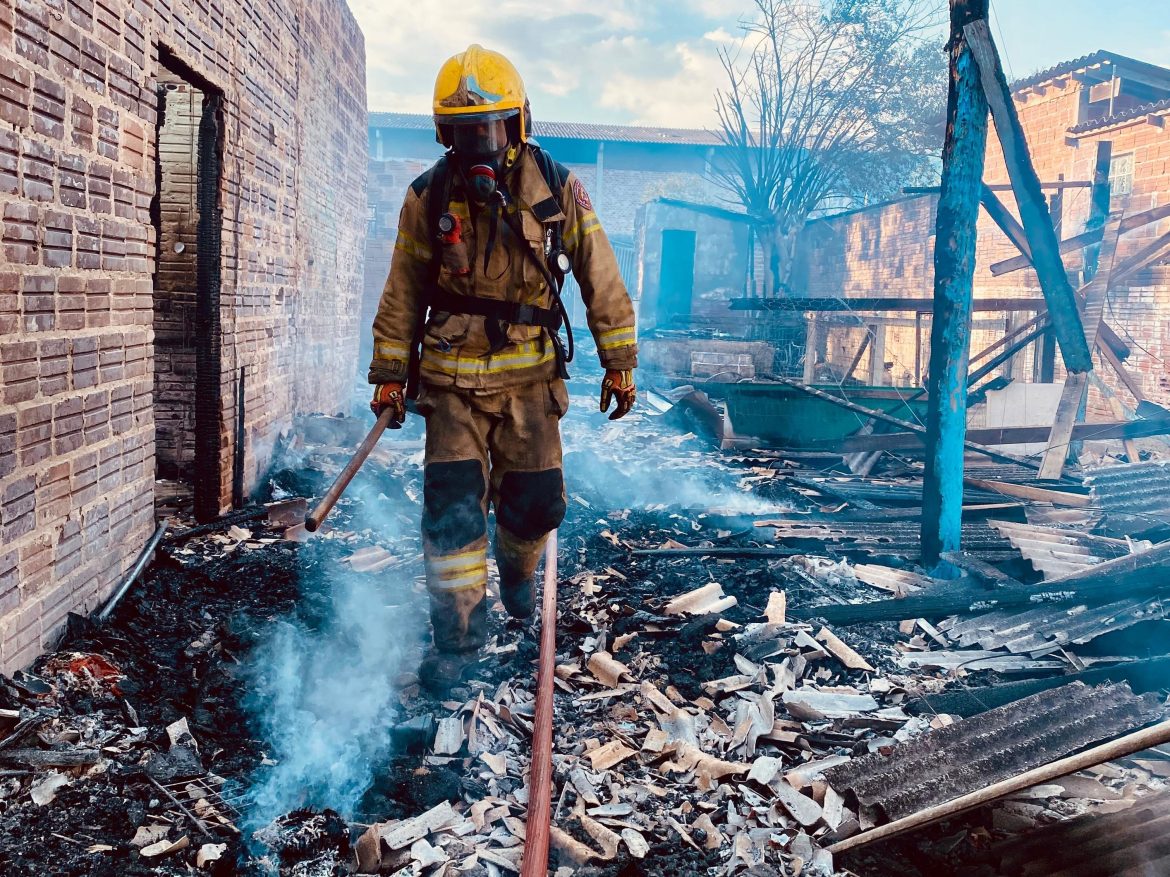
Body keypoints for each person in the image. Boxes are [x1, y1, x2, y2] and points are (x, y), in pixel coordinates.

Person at [368, 44, 638, 692]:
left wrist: (619, 361)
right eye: (464, 132)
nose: (478, 144)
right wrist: (388, 369)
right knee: (453, 518)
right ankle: (459, 646)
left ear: (516, 125)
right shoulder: (428, 197)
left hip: (530, 386)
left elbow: (601, 275)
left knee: (537, 506)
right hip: (452, 387)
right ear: (445, 134)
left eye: (488, 129)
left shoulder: (557, 188)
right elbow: (403, 286)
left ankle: (518, 574)